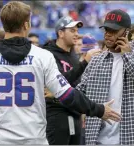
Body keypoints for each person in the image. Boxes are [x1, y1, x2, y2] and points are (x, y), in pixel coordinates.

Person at [0, 2, 121, 145]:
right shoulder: (43, 56)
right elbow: (67, 95)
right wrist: (98, 110)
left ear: (3, 23)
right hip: (33, 139)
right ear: (27, 25)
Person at [76, 9, 134, 145]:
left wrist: (128, 56)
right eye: (106, 30)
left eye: (113, 31)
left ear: (126, 32)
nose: (108, 34)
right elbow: (80, 93)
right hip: (98, 139)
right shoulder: (96, 60)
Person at [42, 16, 101, 145]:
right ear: (61, 33)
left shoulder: (73, 55)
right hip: (57, 116)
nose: (77, 34)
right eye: (72, 31)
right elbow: (59, 83)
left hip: (75, 114)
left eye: (77, 31)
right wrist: (84, 62)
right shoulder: (48, 54)